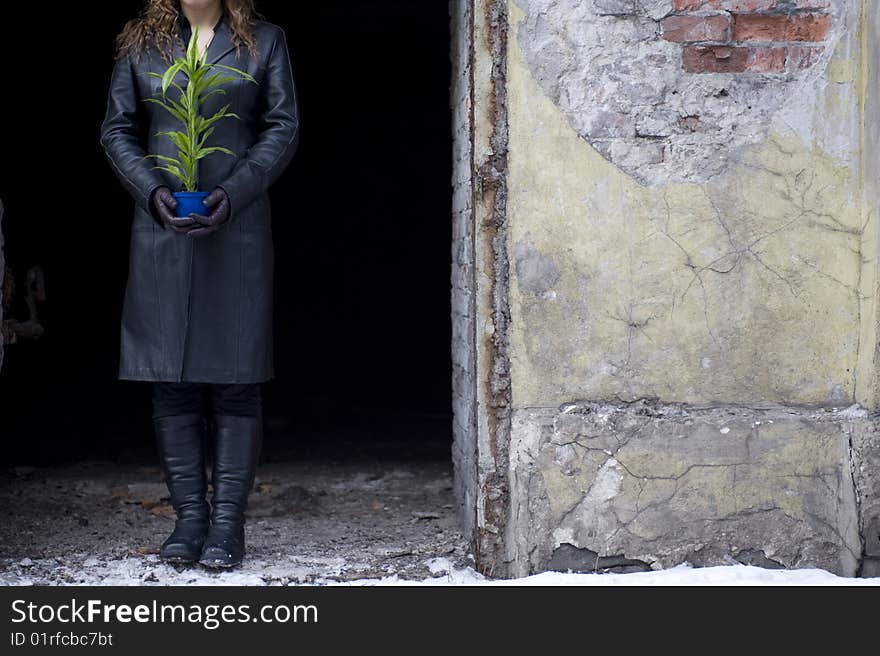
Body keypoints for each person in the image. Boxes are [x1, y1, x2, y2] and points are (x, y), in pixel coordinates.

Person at [100, 0, 299, 568]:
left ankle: (228, 526)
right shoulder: (143, 43)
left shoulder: (263, 40)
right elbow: (116, 130)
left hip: (235, 225)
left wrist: (236, 191)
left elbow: (283, 125)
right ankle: (189, 521)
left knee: (236, 377)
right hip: (161, 226)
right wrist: (151, 191)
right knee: (171, 380)